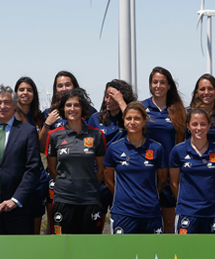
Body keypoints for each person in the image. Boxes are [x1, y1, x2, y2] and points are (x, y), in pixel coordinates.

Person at [0, 85, 40, 235]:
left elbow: (33, 168)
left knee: (20, 256)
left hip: (19, 210)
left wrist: (15, 200)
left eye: (7, 102)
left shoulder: (27, 131)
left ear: (15, 105)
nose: (2, 106)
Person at [46, 88, 106, 234]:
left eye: (76, 105)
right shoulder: (54, 136)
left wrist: (87, 186)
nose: (72, 109)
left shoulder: (96, 135)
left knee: (90, 246)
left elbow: (101, 170)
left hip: (90, 199)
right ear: (63, 109)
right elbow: (52, 169)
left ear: (83, 108)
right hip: (63, 199)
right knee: (63, 247)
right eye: (68, 105)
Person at [103, 102, 167, 234]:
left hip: (151, 213)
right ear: (124, 121)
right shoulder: (114, 148)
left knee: (152, 253)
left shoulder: (156, 148)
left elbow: (162, 181)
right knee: (123, 254)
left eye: (137, 118)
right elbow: (108, 180)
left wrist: (147, 197)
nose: (133, 122)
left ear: (144, 121)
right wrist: (124, 195)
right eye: (129, 118)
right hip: (123, 214)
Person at [141, 66, 186, 234]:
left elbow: (180, 142)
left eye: (162, 82)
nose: (158, 86)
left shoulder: (178, 109)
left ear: (169, 85)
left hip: (169, 174)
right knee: (146, 221)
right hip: (147, 172)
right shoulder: (141, 107)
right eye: (155, 82)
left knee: (169, 222)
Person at [169, 108, 215, 234]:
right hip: (187, 212)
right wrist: (186, 204)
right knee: (184, 253)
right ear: (188, 126)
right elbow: (174, 184)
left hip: (213, 212)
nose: (199, 128)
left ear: (208, 126)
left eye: (202, 124)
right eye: (194, 124)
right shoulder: (178, 151)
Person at [88, 79, 137, 227]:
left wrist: (122, 102)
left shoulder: (130, 118)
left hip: (123, 180)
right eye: (106, 96)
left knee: (123, 224)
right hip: (100, 179)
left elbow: (136, 123)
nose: (108, 100)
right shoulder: (95, 119)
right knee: (95, 224)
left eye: (113, 96)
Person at [15, 77, 49, 234]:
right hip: (16, 178)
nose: (25, 93)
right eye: (21, 89)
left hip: (38, 177)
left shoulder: (39, 118)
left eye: (29, 90)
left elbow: (42, 148)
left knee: (36, 223)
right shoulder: (8, 117)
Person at [39, 71, 80, 151]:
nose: (64, 89)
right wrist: (47, 124)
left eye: (67, 85)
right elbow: (41, 147)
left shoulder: (88, 112)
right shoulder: (48, 114)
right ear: (56, 91)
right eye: (60, 86)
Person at [188, 74, 215, 144]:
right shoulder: (187, 114)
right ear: (196, 93)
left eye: (210, 89)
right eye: (202, 89)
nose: (206, 92)